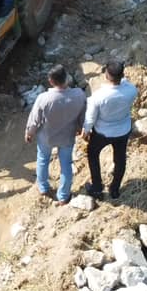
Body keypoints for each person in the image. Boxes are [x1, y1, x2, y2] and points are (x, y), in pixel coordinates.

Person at [25, 65, 87, 204]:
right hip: (67, 137)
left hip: (46, 137)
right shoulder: (79, 95)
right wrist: (80, 128)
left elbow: (35, 120)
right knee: (66, 165)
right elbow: (83, 117)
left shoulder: (44, 98)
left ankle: (43, 187)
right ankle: (63, 196)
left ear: (51, 81)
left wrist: (29, 132)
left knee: (42, 160)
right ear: (67, 78)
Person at [82, 61, 137, 201]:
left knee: (93, 154)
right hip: (123, 130)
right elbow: (124, 84)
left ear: (106, 75)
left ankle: (97, 188)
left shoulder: (99, 96)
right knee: (120, 159)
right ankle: (114, 189)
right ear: (123, 74)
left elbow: (90, 117)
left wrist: (86, 130)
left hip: (102, 132)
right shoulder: (131, 90)